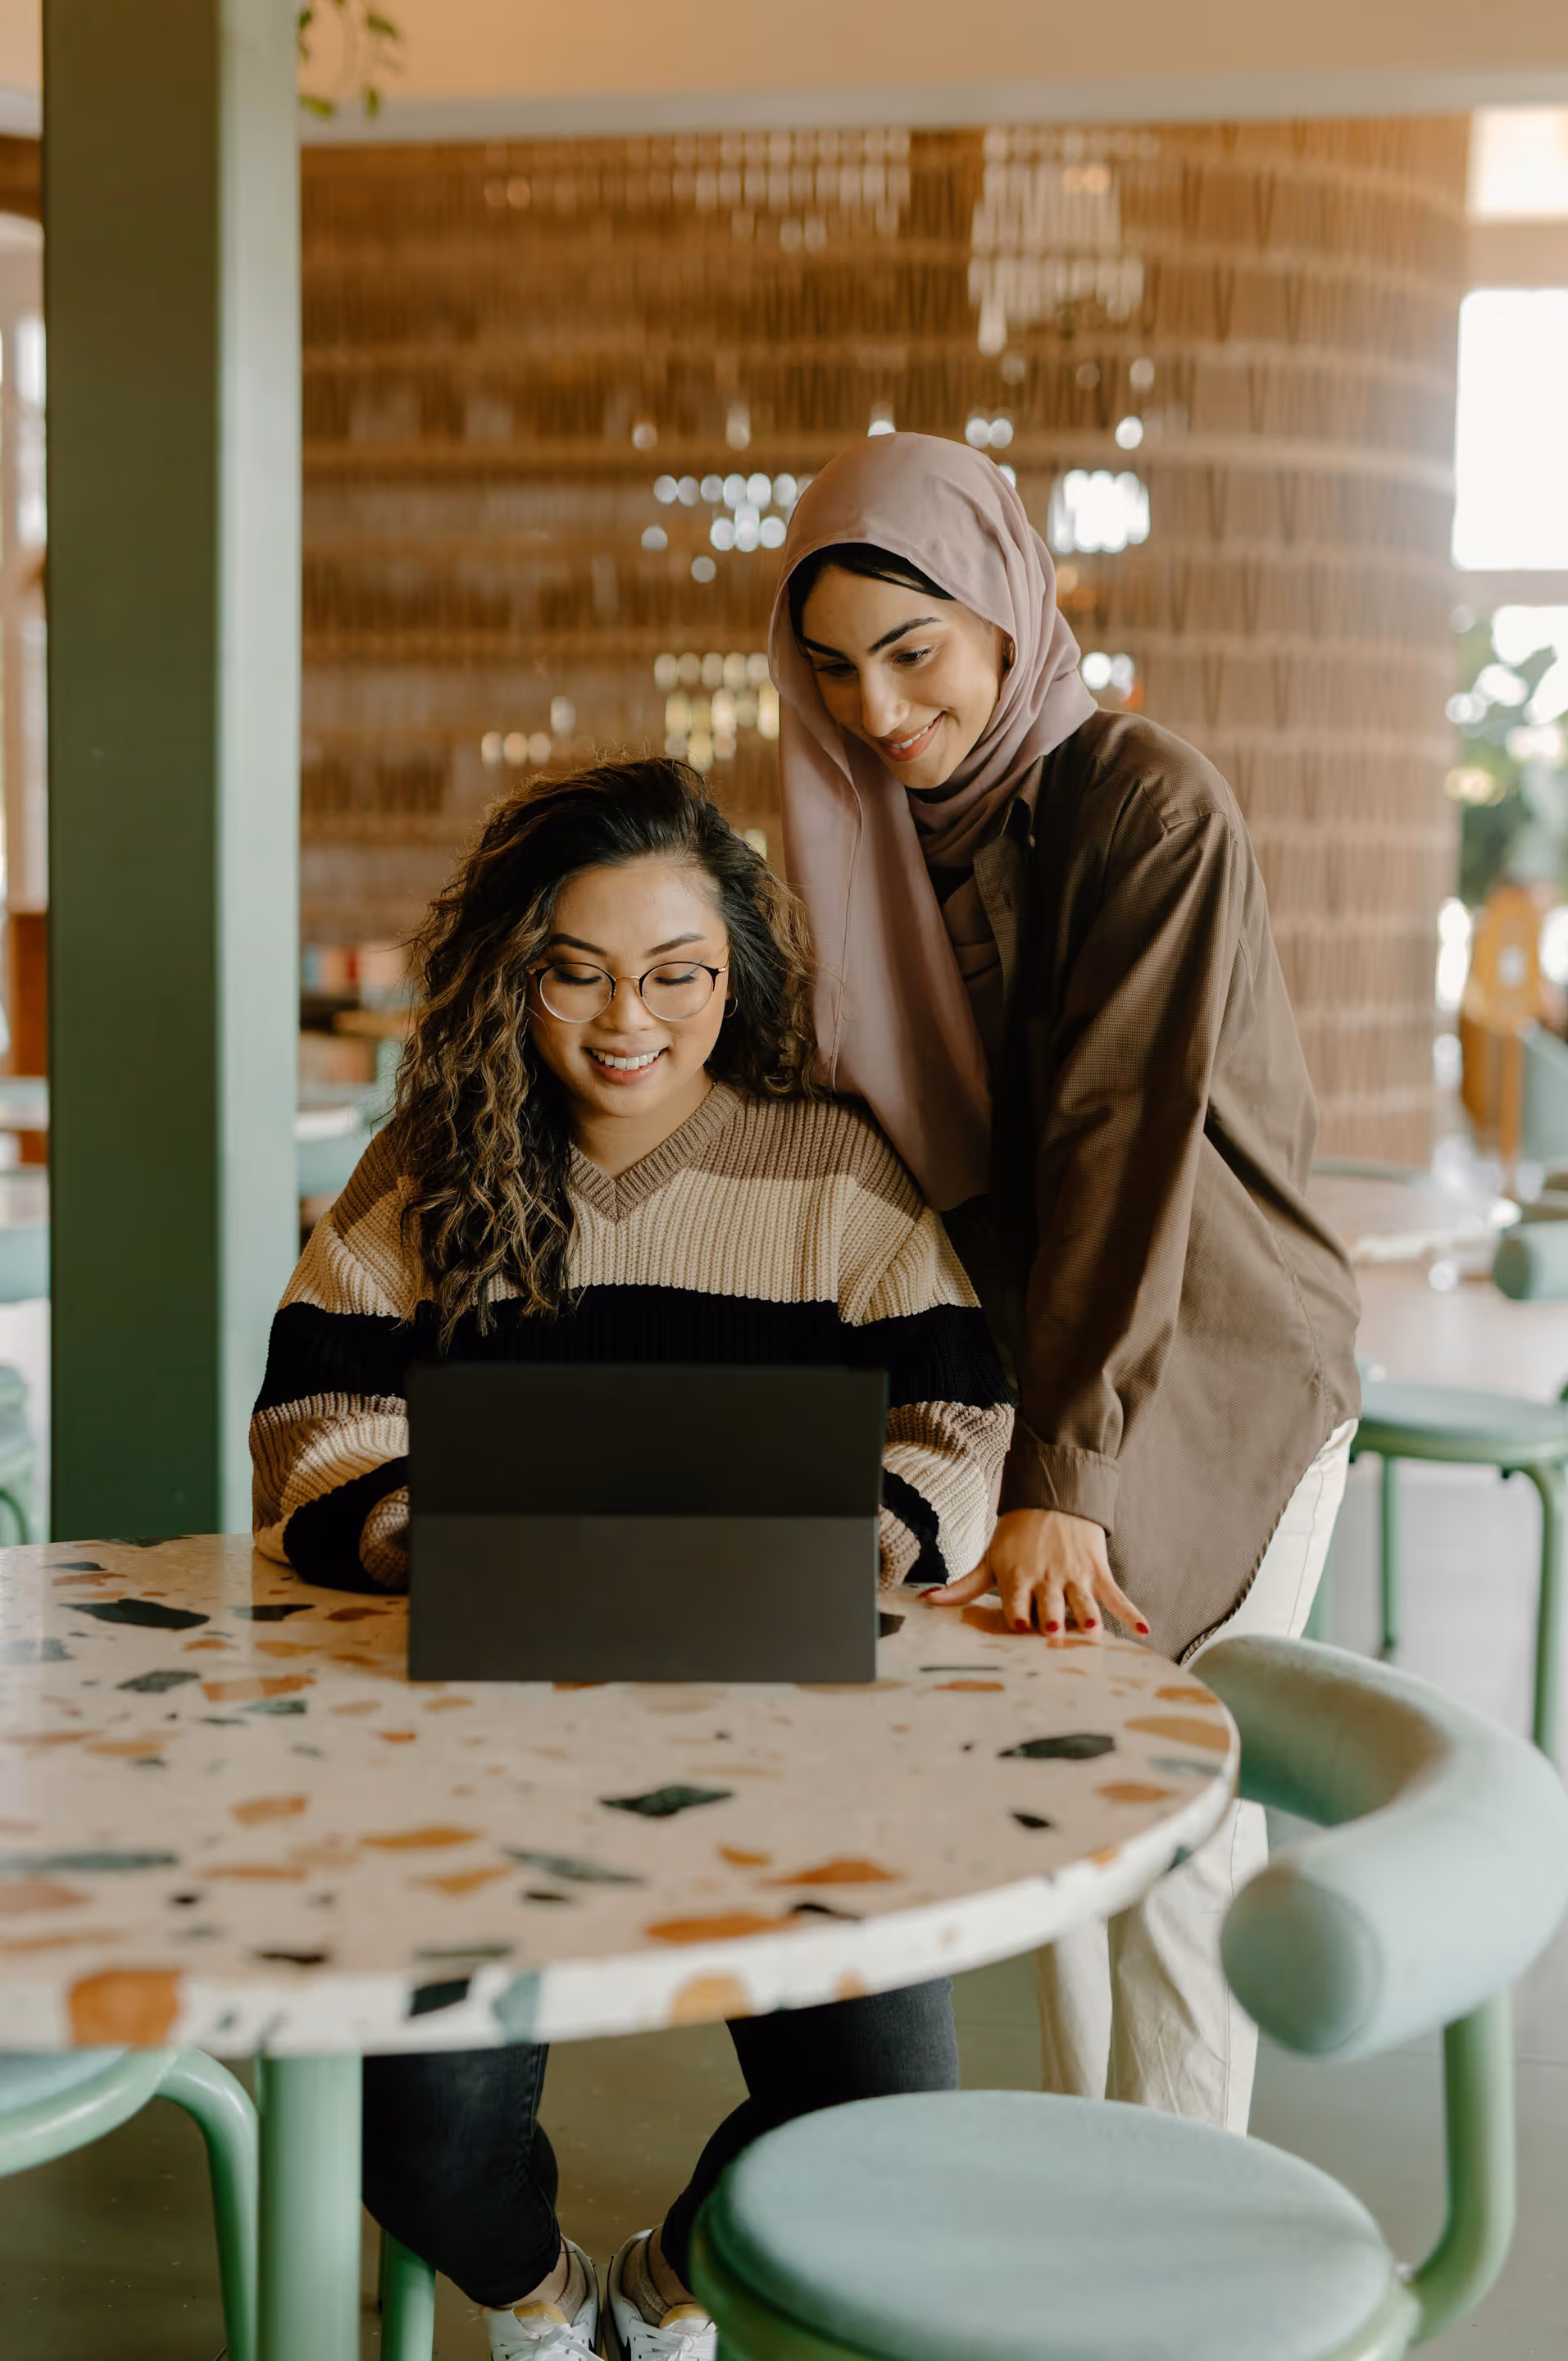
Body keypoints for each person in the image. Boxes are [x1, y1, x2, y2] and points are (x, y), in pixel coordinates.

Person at [250, 757, 1013, 2361]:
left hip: (785, 1732)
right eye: (574, 971)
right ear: (509, 971)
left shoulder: (831, 1168)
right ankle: (543, 2306)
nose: (627, 1021)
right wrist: (415, 1534)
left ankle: (668, 2292)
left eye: (679, 974)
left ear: (738, 973)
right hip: (459, 1740)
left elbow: (956, 1416)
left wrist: (856, 1538)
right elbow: (316, 1410)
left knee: (884, 2120)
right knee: (414, 2138)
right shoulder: (433, 1163)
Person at [769, 431, 1362, 2136]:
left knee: (1172, 1805)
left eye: (912, 652)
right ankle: (1074, 2187)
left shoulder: (1146, 803)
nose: (875, 711)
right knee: (1059, 1802)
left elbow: (1117, 1145)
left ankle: (1178, 2234)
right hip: (1048, 1359)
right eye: (831, 670)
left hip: (1220, 1359)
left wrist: (1066, 1482)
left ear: (1009, 615)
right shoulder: (881, 840)